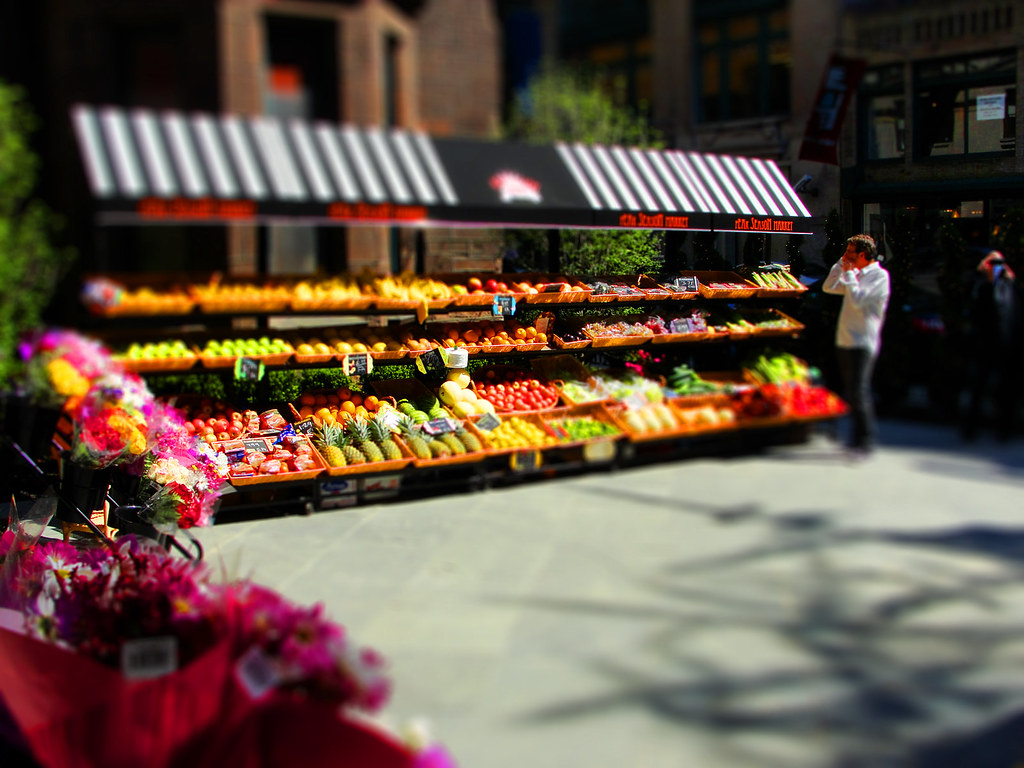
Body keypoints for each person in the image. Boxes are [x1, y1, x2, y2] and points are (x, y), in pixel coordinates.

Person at [822, 233, 891, 455]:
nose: (846, 256)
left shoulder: (879, 276)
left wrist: (850, 274)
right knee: (851, 392)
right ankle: (855, 438)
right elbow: (829, 287)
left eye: (850, 252)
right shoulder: (856, 273)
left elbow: (858, 300)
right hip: (846, 339)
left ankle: (865, 439)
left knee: (859, 391)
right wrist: (839, 265)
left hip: (863, 341)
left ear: (862, 254)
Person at [960, 250, 1021, 441]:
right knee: (979, 386)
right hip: (984, 343)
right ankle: (971, 429)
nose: (996, 268)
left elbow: (1014, 313)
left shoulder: (1009, 286)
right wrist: (981, 274)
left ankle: (1004, 429)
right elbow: (970, 302)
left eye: (999, 264)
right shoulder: (980, 285)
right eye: (992, 264)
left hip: (1006, 343)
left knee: (1005, 389)